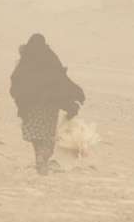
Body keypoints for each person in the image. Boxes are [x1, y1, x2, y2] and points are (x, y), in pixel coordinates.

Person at [9, 33, 85, 175]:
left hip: (30, 108)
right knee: (48, 139)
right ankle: (43, 160)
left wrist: (22, 101)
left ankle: (40, 159)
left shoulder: (25, 62)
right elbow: (61, 81)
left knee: (36, 138)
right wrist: (75, 96)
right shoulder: (50, 59)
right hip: (48, 107)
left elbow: (16, 84)